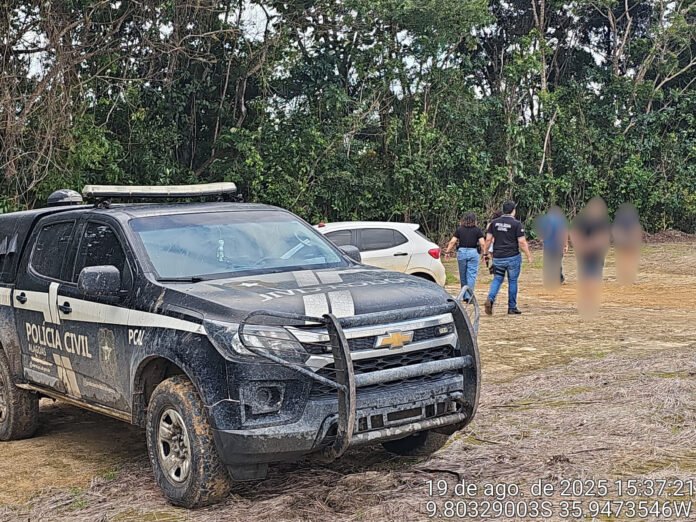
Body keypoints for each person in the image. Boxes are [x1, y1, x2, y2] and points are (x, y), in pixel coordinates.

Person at [483, 201, 533, 315]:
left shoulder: (494, 223)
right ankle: (512, 307)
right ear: (513, 211)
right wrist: (528, 255)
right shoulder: (516, 224)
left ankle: (490, 299)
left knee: (497, 279)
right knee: (513, 281)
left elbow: (488, 239)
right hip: (512, 257)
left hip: (498, 257)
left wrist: (485, 253)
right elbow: (522, 242)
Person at [570, 197, 611, 316]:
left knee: (586, 278)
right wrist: (588, 246)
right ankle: (589, 302)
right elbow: (603, 238)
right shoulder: (601, 222)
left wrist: (581, 246)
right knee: (592, 279)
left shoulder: (582, 220)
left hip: (587, 255)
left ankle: (586, 302)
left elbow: (573, 234)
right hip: (594, 255)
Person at [446, 212, 485, 302]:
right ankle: (469, 296)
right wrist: (485, 254)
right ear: (474, 220)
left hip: (462, 252)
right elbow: (482, 243)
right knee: (471, 275)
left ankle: (464, 295)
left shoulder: (460, 229)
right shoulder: (477, 230)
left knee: (462, 275)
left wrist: (447, 251)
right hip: (473, 252)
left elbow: (452, 241)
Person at [536, 205, 569, 289]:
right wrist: (565, 244)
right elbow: (564, 233)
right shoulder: (560, 221)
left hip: (548, 246)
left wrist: (542, 239)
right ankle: (559, 279)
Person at [612, 203, 642, 285]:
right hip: (625, 241)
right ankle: (625, 278)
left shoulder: (620, 217)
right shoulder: (624, 217)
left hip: (628, 241)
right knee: (625, 260)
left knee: (628, 260)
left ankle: (629, 278)